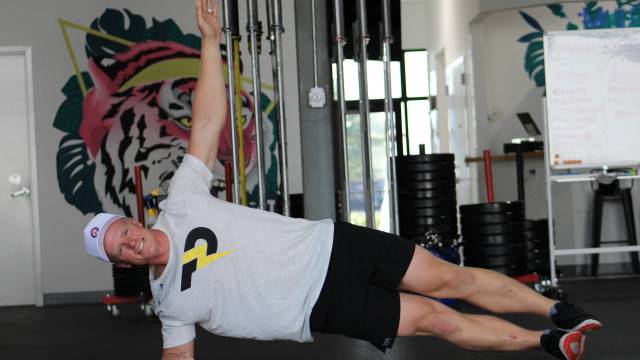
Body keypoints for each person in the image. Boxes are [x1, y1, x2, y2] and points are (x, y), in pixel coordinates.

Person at [83, 1, 602, 359]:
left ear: (131, 220)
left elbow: (208, 121)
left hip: (333, 245)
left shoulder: (181, 201)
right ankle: (546, 344)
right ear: (122, 263)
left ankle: (557, 309)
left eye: (121, 232)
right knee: (435, 321)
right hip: (319, 306)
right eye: (119, 251)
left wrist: (212, 42)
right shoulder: (171, 305)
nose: (129, 243)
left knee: (452, 280)